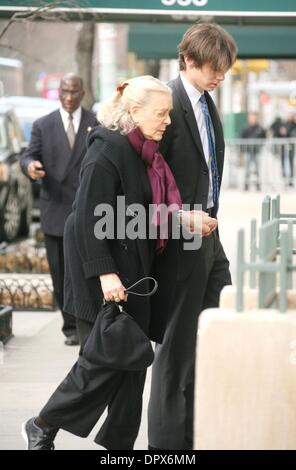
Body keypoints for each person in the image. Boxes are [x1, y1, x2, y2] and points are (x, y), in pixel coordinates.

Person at [21, 75, 216, 450]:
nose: (168, 121)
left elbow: (137, 213)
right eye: (161, 114)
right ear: (134, 111)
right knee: (103, 364)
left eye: (169, 114)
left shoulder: (144, 152)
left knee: (132, 367)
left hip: (134, 272)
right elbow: (89, 220)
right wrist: (106, 274)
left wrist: (184, 219)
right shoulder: (107, 151)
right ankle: (42, 424)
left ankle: (119, 449)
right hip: (104, 274)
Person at [147, 23, 237, 450]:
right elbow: (146, 184)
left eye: (225, 69)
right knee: (175, 350)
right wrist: (182, 218)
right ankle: (167, 448)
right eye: (214, 68)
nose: (221, 76)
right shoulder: (165, 103)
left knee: (217, 331)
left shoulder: (206, 102)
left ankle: (194, 434)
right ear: (189, 60)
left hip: (209, 238)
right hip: (180, 238)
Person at [20, 73, 98, 346]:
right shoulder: (44, 124)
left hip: (85, 211)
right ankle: (69, 326)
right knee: (60, 272)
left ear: (82, 92)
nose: (68, 97)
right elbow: (29, 154)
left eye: (74, 92)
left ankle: (84, 322)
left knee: (84, 270)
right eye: (64, 91)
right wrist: (30, 167)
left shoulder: (95, 123)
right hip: (55, 210)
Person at [240, 112, 266, 191]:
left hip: (256, 152)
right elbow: (241, 140)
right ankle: (246, 185)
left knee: (257, 169)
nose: (253, 119)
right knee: (247, 169)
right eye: (251, 118)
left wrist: (260, 146)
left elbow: (264, 138)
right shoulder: (245, 129)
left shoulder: (260, 128)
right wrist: (242, 152)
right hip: (248, 152)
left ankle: (258, 185)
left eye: (254, 118)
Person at [277, 110, 296, 187]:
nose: (290, 116)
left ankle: (290, 179)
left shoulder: (294, 125)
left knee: (291, 162)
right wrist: (281, 132)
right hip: (283, 147)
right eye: (289, 115)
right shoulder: (283, 124)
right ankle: (284, 178)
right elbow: (278, 134)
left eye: (291, 115)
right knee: (283, 162)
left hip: (291, 147)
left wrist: (287, 133)